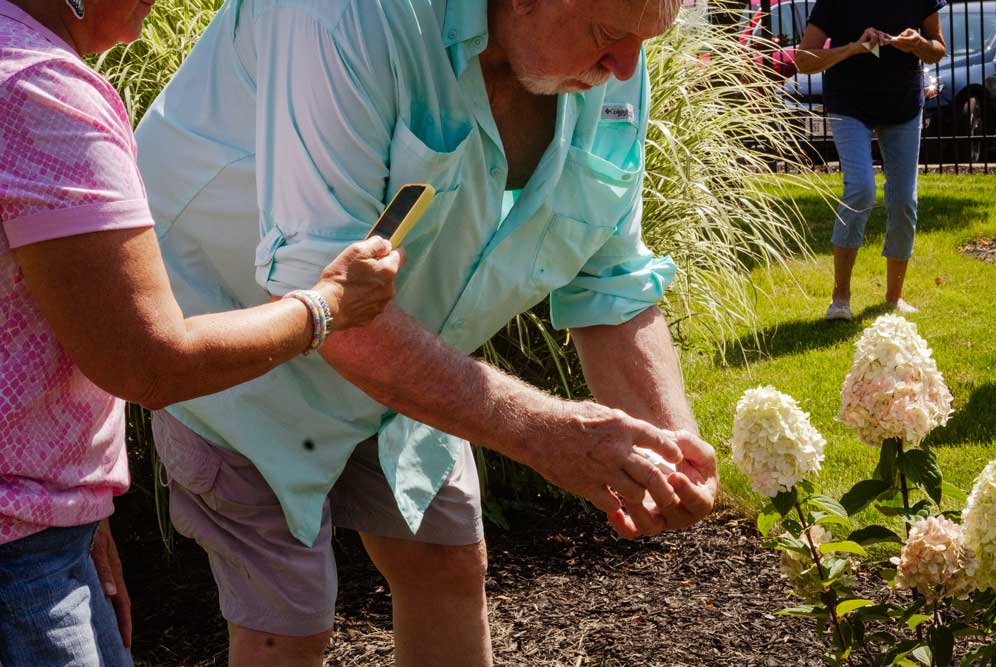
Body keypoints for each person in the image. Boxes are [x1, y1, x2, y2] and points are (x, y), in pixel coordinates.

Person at [136, 0, 720, 665]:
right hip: (241, 337)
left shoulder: (610, 67)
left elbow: (610, 284)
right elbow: (319, 291)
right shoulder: (345, 15)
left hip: (405, 345)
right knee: (286, 622)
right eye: (610, 35)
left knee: (447, 564)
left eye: (647, 40)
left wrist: (676, 448)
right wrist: (542, 431)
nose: (627, 68)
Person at [0, 1, 404, 665]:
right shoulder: (42, 91)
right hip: (20, 565)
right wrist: (326, 305)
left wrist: (79, 511)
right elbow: (148, 361)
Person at [795, 0, 947, 321]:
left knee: (904, 197)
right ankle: (841, 298)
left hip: (903, 104)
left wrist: (917, 44)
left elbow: (937, 49)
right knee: (861, 189)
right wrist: (853, 48)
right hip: (849, 104)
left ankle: (894, 298)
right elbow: (803, 60)